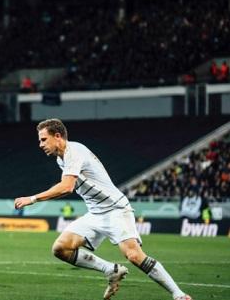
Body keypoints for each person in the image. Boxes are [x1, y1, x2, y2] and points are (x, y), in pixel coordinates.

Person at [14, 119, 191, 300]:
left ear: (57, 136)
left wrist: (33, 198)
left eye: (43, 139)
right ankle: (110, 269)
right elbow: (66, 187)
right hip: (95, 212)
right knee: (61, 248)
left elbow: (66, 187)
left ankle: (179, 295)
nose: (40, 144)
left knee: (133, 255)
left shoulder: (73, 152)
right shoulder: (62, 158)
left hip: (115, 209)